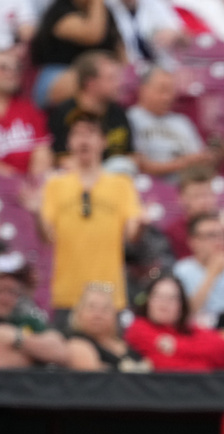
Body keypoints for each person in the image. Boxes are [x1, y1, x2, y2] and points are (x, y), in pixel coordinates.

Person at [39, 111, 141, 329]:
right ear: (69, 141)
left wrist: (142, 223)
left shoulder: (122, 184)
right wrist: (34, 213)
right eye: (77, 133)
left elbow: (132, 235)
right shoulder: (54, 185)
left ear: (103, 141)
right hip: (67, 295)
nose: (84, 139)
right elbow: (47, 236)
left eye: (91, 133)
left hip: (109, 296)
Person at [128, 66, 224, 181]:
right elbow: (138, 165)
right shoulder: (130, 119)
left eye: (171, 91)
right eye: (162, 90)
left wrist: (213, 156)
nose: (167, 97)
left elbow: (199, 161)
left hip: (188, 188)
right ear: (143, 90)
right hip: (148, 189)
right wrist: (183, 163)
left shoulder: (182, 122)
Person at [124, 274, 224, 371]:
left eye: (172, 298)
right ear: (148, 301)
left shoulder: (189, 329)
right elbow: (163, 365)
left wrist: (176, 345)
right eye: (158, 296)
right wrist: (203, 363)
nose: (164, 303)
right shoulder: (138, 328)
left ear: (181, 305)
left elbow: (220, 348)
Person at [29, 0, 122, 109]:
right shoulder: (59, 12)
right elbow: (92, 35)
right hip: (58, 73)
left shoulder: (105, 12)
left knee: (118, 78)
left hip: (99, 72)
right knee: (85, 80)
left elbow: (119, 48)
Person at [48, 50, 134, 164]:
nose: (119, 83)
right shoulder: (63, 113)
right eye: (111, 78)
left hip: (114, 176)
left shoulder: (119, 112)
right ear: (90, 83)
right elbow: (58, 158)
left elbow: (131, 155)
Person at [172, 212, 224, 329]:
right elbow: (185, 314)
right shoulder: (181, 271)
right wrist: (212, 273)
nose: (220, 241)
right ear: (193, 241)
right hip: (195, 333)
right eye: (211, 235)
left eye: (223, 235)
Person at [164, 165, 224, 262]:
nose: (204, 202)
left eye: (208, 194)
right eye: (197, 196)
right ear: (181, 198)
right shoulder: (173, 234)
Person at [0, 251, 68, 368]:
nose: (5, 298)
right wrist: (34, 355)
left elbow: (60, 352)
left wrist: (16, 337)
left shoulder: (26, 319)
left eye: (12, 292)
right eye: (1, 290)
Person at [65, 281, 151, 371]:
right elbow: (93, 376)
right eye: (91, 307)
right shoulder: (76, 343)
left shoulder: (124, 343)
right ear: (79, 313)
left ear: (114, 315)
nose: (98, 315)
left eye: (105, 309)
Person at [0, 47, 52, 183]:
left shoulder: (30, 110)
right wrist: (14, 183)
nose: (12, 73)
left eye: (16, 68)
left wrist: (33, 184)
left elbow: (42, 153)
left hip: (27, 191)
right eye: (4, 68)